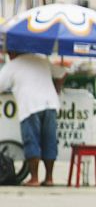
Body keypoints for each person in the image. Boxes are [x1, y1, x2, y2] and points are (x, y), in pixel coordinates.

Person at [0, 51, 61, 186]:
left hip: (30, 106)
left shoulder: (13, 65)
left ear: (14, 52)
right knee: (49, 141)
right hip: (50, 104)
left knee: (32, 141)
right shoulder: (42, 59)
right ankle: (49, 178)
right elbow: (61, 73)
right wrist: (58, 88)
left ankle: (34, 178)